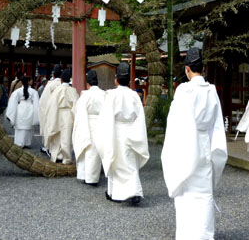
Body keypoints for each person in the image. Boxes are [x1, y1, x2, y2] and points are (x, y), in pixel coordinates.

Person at [161, 47, 227, 240]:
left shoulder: (183, 90)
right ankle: (205, 234)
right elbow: (216, 125)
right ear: (203, 68)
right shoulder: (212, 91)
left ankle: (187, 235)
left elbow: (175, 123)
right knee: (204, 192)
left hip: (185, 145)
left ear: (187, 69)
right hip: (205, 145)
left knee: (185, 192)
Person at [95, 62, 149, 205]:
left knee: (115, 161)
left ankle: (116, 192)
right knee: (131, 163)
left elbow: (105, 118)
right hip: (132, 131)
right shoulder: (134, 96)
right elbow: (140, 117)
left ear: (116, 79)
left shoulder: (111, 95)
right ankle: (133, 191)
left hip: (116, 132)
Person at [72, 70, 106, 185]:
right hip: (101, 124)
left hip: (86, 122)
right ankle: (92, 177)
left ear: (88, 84)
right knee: (95, 152)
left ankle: (85, 175)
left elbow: (78, 111)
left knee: (86, 148)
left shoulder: (85, 96)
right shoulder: (104, 94)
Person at [45, 69, 79, 164]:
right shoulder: (73, 91)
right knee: (67, 137)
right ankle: (66, 158)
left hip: (57, 113)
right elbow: (76, 105)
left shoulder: (57, 90)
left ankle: (57, 156)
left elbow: (51, 104)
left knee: (57, 136)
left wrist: (51, 117)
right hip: (69, 115)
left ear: (61, 80)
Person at [5, 76, 40, 148]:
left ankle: (19, 142)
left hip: (20, 108)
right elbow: (37, 103)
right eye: (31, 80)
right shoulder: (33, 91)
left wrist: (11, 114)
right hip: (30, 108)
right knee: (28, 127)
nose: (32, 81)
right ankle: (27, 142)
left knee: (20, 127)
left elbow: (13, 102)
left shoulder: (18, 91)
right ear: (28, 81)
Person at [38, 65, 63, 155]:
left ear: (53, 75)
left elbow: (43, 102)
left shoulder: (50, 85)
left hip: (52, 111)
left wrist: (44, 113)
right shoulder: (64, 85)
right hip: (62, 112)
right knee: (60, 132)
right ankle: (60, 152)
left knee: (50, 129)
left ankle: (48, 147)